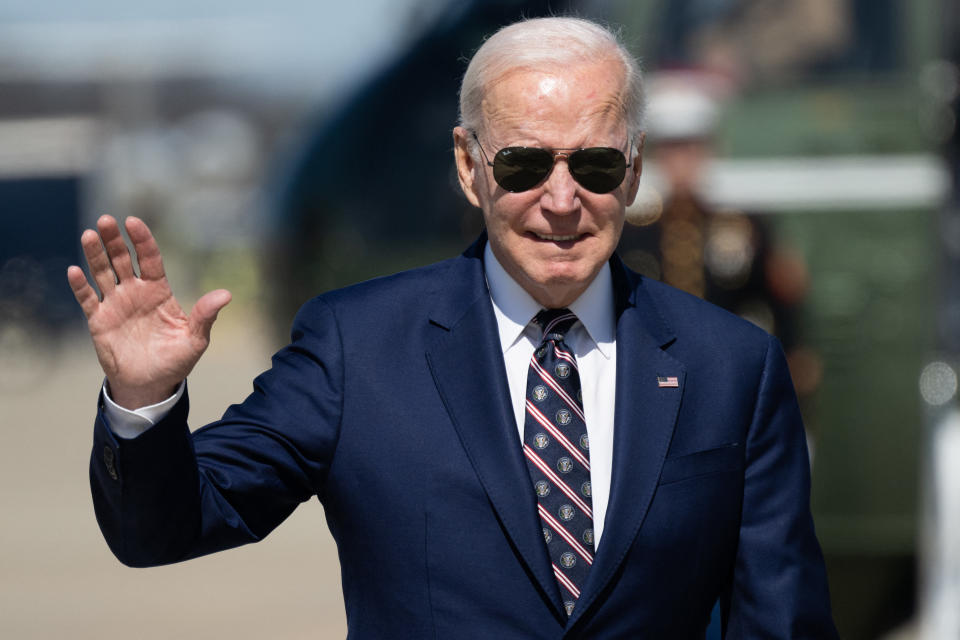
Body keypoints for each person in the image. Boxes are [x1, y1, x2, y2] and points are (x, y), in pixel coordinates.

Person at [67, 17, 837, 638]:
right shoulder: (355, 348)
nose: (562, 200)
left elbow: (784, 618)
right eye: (524, 166)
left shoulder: (732, 364)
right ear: (470, 167)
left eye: (596, 167)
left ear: (633, 172)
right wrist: (144, 400)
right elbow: (163, 529)